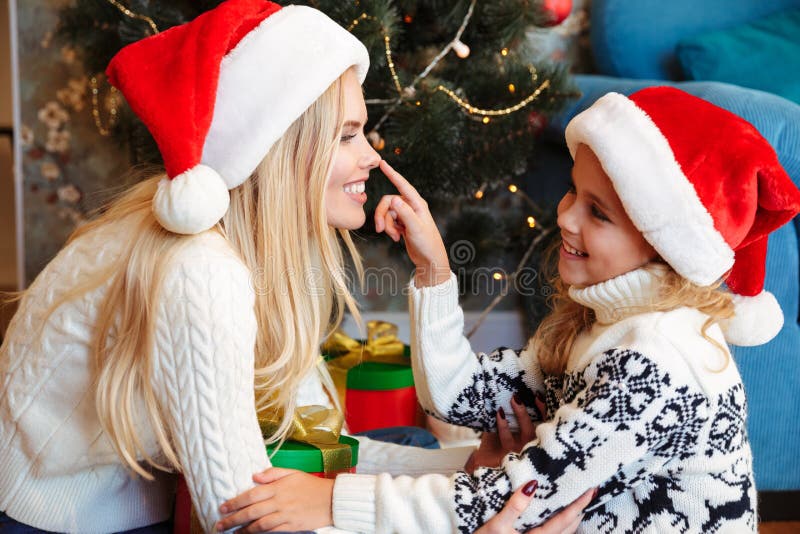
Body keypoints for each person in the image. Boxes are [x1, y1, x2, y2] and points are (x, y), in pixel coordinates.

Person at [0, 1, 587, 532]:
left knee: (403, 447)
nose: (371, 157)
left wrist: (462, 471)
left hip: (154, 488)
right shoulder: (200, 271)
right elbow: (238, 514)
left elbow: (305, 445)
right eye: (349, 135)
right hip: (69, 519)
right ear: (281, 149)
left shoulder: (261, 246)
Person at [220, 87, 800, 533]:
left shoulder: (656, 362)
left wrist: (329, 499)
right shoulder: (606, 325)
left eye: (599, 213)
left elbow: (507, 500)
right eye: (574, 192)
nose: (566, 218)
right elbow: (458, 396)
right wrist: (434, 272)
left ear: (663, 245)